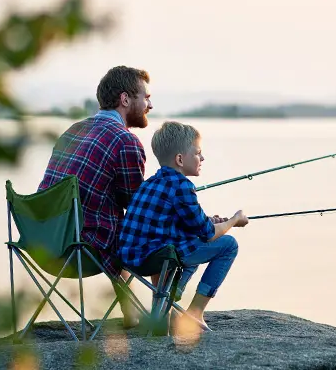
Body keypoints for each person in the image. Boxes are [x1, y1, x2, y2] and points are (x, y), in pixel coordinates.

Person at [37, 65, 152, 327]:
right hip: (81, 251)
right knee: (149, 224)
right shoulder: (125, 141)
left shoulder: (73, 130)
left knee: (105, 219)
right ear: (125, 99)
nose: (150, 104)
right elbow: (136, 208)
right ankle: (161, 314)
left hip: (43, 241)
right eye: (145, 97)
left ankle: (130, 313)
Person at [119, 120, 249, 330]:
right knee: (228, 245)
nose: (202, 158)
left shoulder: (149, 183)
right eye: (198, 153)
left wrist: (211, 221)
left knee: (191, 240)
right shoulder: (182, 186)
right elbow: (207, 234)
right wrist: (234, 220)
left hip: (131, 259)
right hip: (158, 258)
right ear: (180, 159)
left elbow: (178, 221)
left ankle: (164, 306)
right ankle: (194, 312)